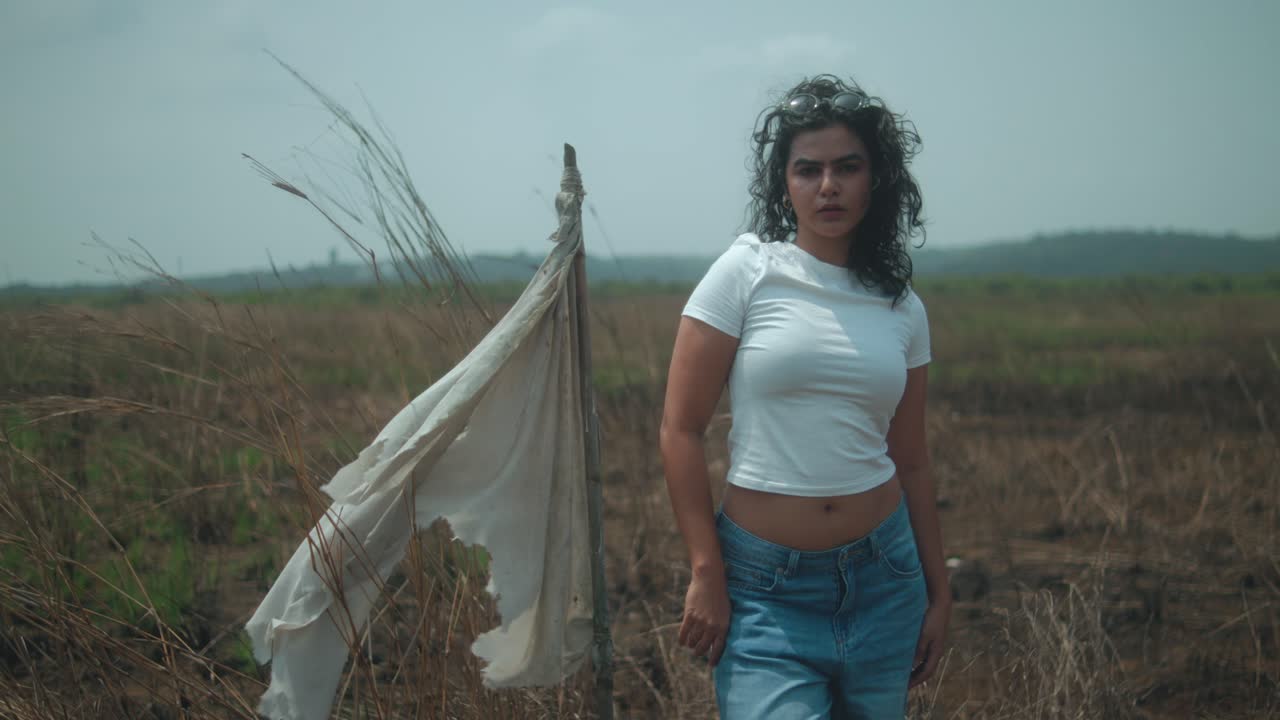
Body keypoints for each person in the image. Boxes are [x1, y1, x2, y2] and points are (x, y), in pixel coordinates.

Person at [660, 74, 950, 719]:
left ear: (876, 180)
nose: (828, 186)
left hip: (885, 579)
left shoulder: (902, 307)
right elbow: (680, 429)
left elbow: (913, 460)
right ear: (783, 183)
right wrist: (707, 572)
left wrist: (938, 593)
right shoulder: (746, 272)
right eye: (808, 170)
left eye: (847, 167)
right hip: (766, 592)